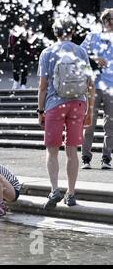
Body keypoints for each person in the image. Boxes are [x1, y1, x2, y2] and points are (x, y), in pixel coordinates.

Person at [37, 16, 95, 208]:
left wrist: (40, 110)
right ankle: (71, 194)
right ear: (71, 32)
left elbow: (43, 86)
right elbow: (89, 83)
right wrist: (90, 110)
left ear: (55, 32)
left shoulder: (47, 53)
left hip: (55, 105)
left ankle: (54, 190)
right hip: (78, 104)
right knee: (72, 151)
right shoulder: (81, 52)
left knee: (52, 151)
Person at [80, 8, 113, 170]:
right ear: (106, 21)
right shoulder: (93, 36)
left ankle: (106, 158)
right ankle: (86, 157)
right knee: (89, 124)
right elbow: (79, 54)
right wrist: (94, 58)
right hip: (93, 86)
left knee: (110, 124)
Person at [8, 20, 33, 90]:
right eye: (22, 22)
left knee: (24, 68)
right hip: (16, 52)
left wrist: (30, 52)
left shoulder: (28, 32)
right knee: (16, 67)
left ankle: (23, 84)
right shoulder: (15, 31)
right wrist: (11, 53)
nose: (23, 24)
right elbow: (11, 43)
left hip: (24, 52)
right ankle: (16, 82)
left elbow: (30, 43)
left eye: (24, 22)